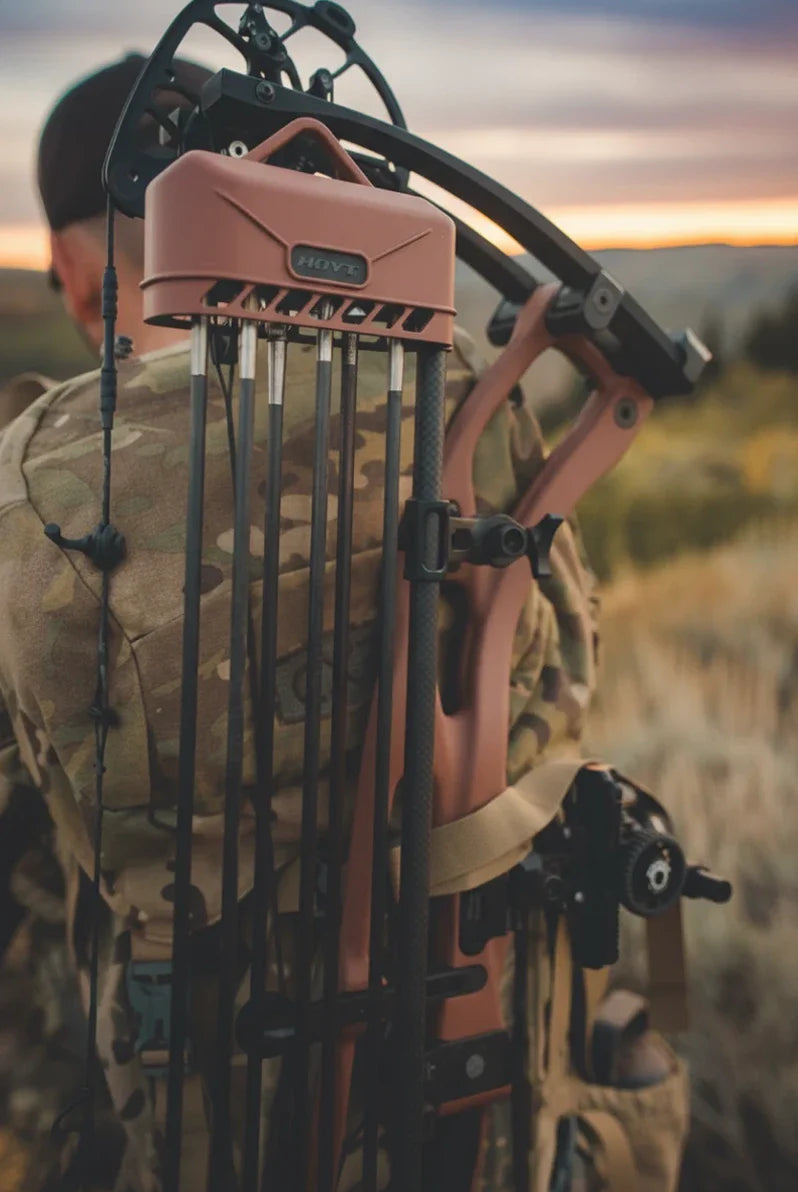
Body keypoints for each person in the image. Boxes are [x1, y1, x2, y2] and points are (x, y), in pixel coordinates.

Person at [0, 51, 682, 1192]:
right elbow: (564, 681)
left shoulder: (31, 479)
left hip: (203, 1129)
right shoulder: (465, 392)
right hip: (489, 1103)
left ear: (78, 272)